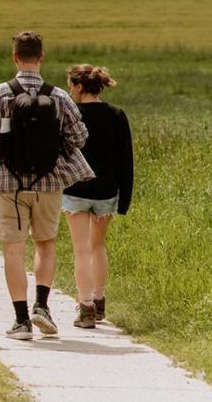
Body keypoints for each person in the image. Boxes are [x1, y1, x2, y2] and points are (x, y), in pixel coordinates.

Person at [0, 31, 94, 340]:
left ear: (15, 57)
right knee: (45, 243)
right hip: (49, 184)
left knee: (13, 249)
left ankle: (21, 321)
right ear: (41, 58)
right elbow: (79, 138)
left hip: (8, 185)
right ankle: (42, 306)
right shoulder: (60, 97)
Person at [63, 64, 133, 329]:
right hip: (106, 192)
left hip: (76, 190)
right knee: (98, 247)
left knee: (81, 250)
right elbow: (125, 161)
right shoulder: (116, 115)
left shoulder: (71, 116)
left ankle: (86, 309)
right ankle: (99, 300)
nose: (70, 90)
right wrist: (124, 199)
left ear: (80, 87)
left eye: (71, 85)